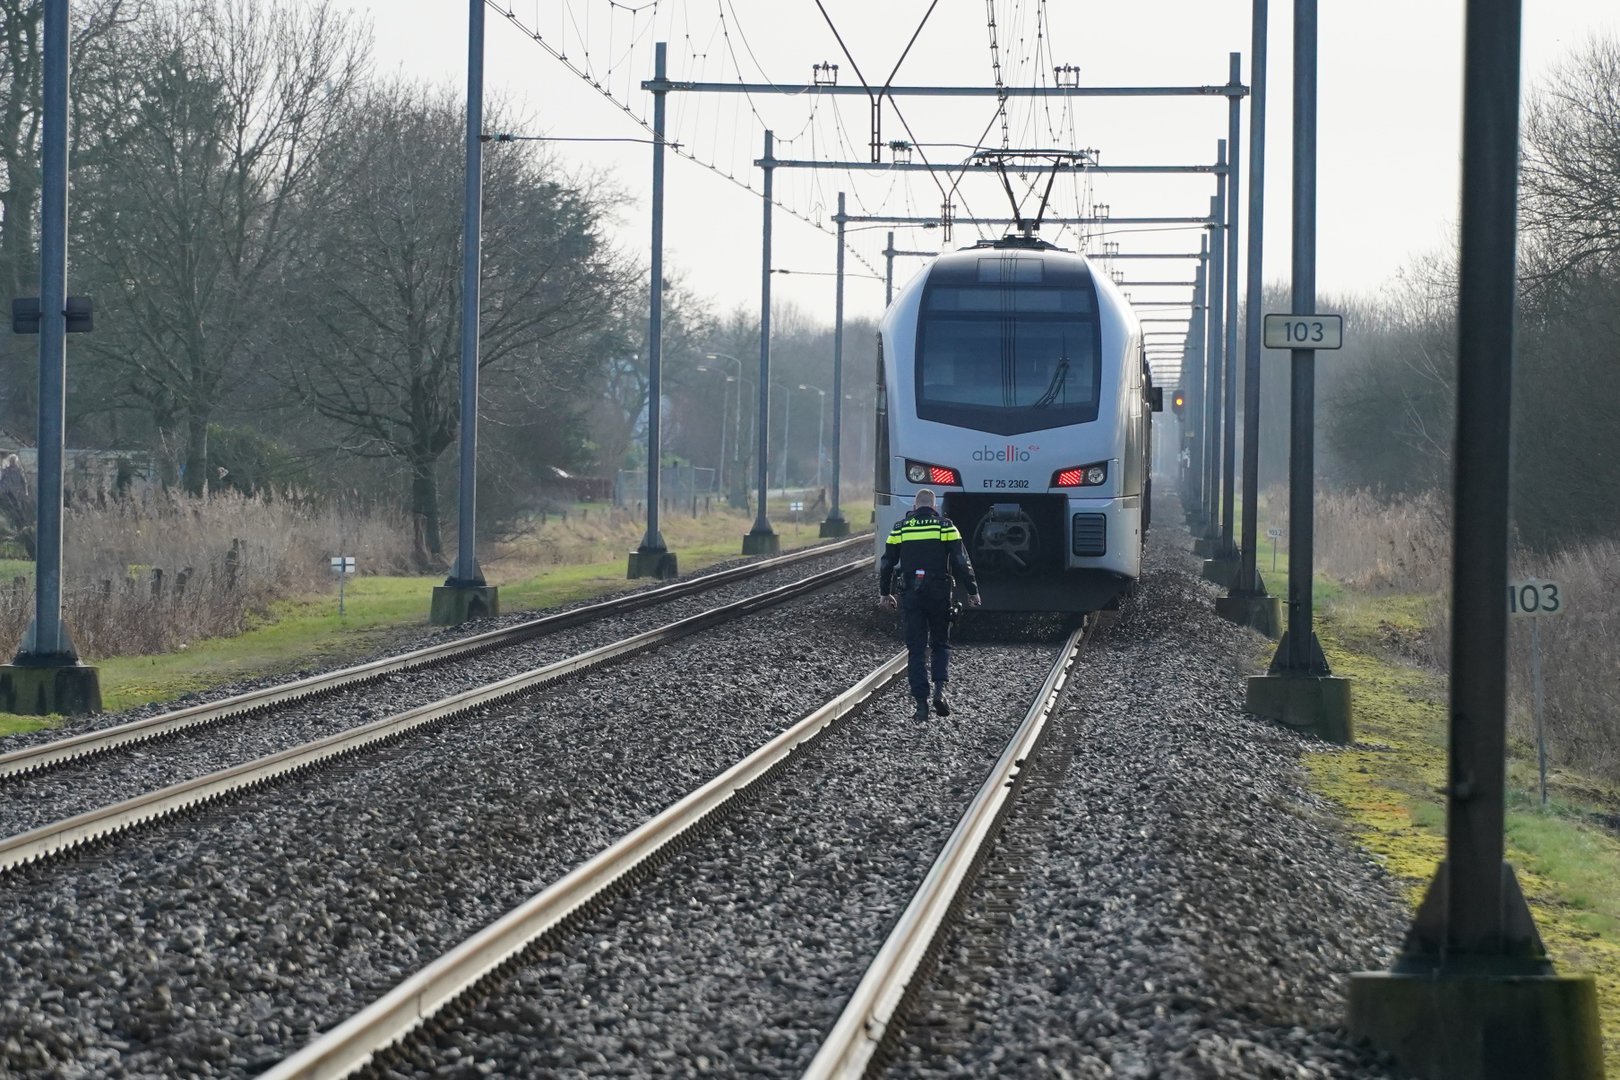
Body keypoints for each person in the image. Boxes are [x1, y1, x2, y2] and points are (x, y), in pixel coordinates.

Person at [878, 489, 981, 721]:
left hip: (911, 593)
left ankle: (921, 706)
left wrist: (885, 593)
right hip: (939, 592)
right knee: (940, 644)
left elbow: (887, 563)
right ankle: (940, 692)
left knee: (916, 649)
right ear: (935, 507)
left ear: (915, 507)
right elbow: (961, 561)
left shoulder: (900, 528)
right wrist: (973, 591)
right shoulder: (945, 527)